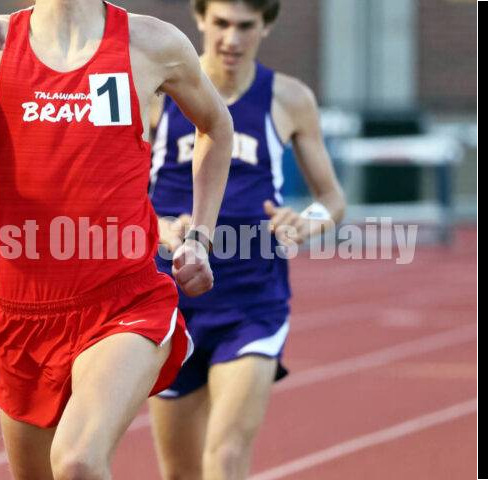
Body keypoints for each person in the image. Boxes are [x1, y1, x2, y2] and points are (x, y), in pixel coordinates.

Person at [0, 1, 234, 478]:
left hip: (123, 301)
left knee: (78, 462)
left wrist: (200, 236)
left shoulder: (151, 42)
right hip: (23, 313)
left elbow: (216, 126)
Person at [147, 1, 346, 479]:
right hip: (171, 300)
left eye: (245, 27)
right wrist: (156, 227)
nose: (231, 40)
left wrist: (307, 221)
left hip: (252, 300)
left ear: (267, 26)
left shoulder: (288, 98)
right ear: (199, 19)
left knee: (227, 455)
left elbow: (332, 198)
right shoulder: (156, 92)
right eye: (220, 24)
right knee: (181, 472)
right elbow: (118, 190)